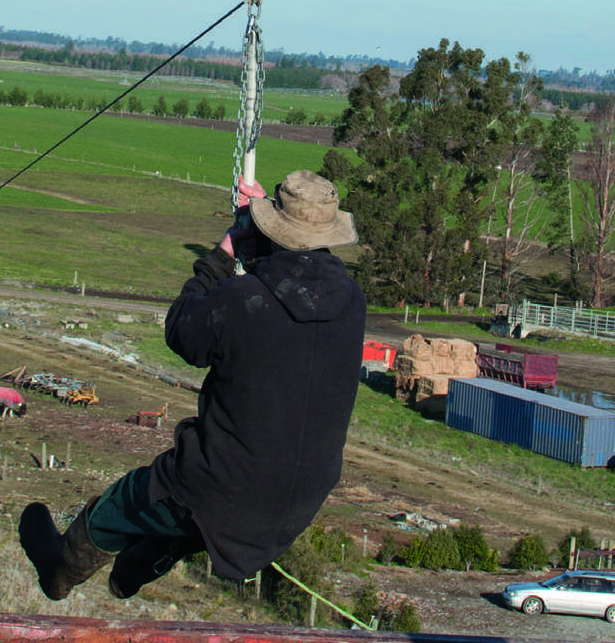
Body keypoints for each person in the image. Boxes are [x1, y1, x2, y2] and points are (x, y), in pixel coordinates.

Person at [18, 168, 365, 601]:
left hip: (218, 488)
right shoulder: (352, 302)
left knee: (133, 499)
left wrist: (223, 255)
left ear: (274, 229)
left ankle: (61, 567)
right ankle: (143, 564)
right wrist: (264, 235)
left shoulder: (242, 301)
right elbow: (295, 288)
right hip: (301, 499)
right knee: (196, 518)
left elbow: (182, 329)